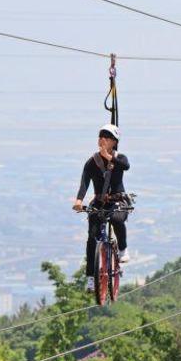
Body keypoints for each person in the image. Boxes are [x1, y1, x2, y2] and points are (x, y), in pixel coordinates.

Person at [73, 124, 131, 291]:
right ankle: (91, 277)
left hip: (118, 200)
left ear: (114, 141)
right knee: (92, 238)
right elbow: (84, 182)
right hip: (99, 202)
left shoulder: (120, 158)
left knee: (116, 218)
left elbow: (125, 166)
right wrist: (79, 200)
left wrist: (109, 157)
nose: (102, 139)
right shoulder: (92, 162)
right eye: (101, 136)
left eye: (107, 137)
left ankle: (122, 249)